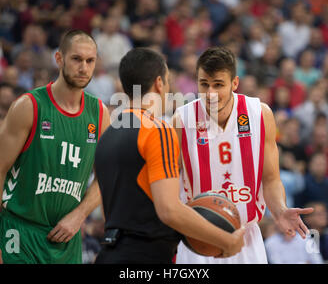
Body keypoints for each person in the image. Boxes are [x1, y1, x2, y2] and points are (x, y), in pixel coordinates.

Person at [94, 47, 245, 264]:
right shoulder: (158, 130)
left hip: (109, 252)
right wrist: (226, 241)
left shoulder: (107, 136)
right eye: (167, 81)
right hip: (144, 257)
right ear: (158, 83)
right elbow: (169, 211)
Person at [171, 46, 314, 264]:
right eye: (204, 84)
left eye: (218, 85)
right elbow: (170, 186)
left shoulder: (260, 114)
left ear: (235, 83)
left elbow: (271, 179)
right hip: (198, 238)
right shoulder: (181, 120)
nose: (210, 94)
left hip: (245, 235)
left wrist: (280, 210)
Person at [0, 29, 110, 264]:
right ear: (59, 59)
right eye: (76, 59)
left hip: (66, 238)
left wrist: (79, 216)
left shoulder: (100, 114)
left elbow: (106, 178)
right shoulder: (28, 106)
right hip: (19, 233)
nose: (83, 68)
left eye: (90, 61)